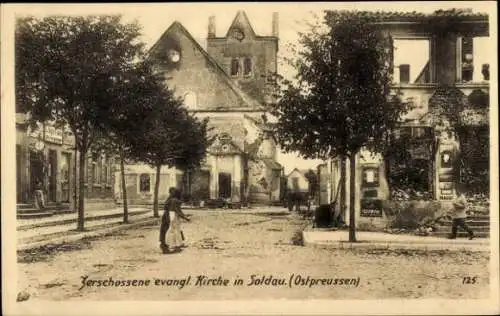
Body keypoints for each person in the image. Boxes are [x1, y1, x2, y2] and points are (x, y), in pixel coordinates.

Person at [165, 188, 191, 253]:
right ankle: (173, 245)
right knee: (174, 229)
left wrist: (184, 216)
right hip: (174, 215)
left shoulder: (171, 200)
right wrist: (185, 218)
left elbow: (178, 210)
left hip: (172, 214)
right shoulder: (175, 201)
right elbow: (178, 211)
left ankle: (177, 244)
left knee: (175, 229)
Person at [159, 187, 176, 254]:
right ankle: (164, 247)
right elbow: (166, 208)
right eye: (173, 192)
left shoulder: (170, 199)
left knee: (165, 230)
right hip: (166, 215)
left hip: (167, 215)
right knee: (165, 230)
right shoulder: (170, 199)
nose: (174, 193)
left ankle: (164, 245)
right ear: (170, 192)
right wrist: (168, 217)